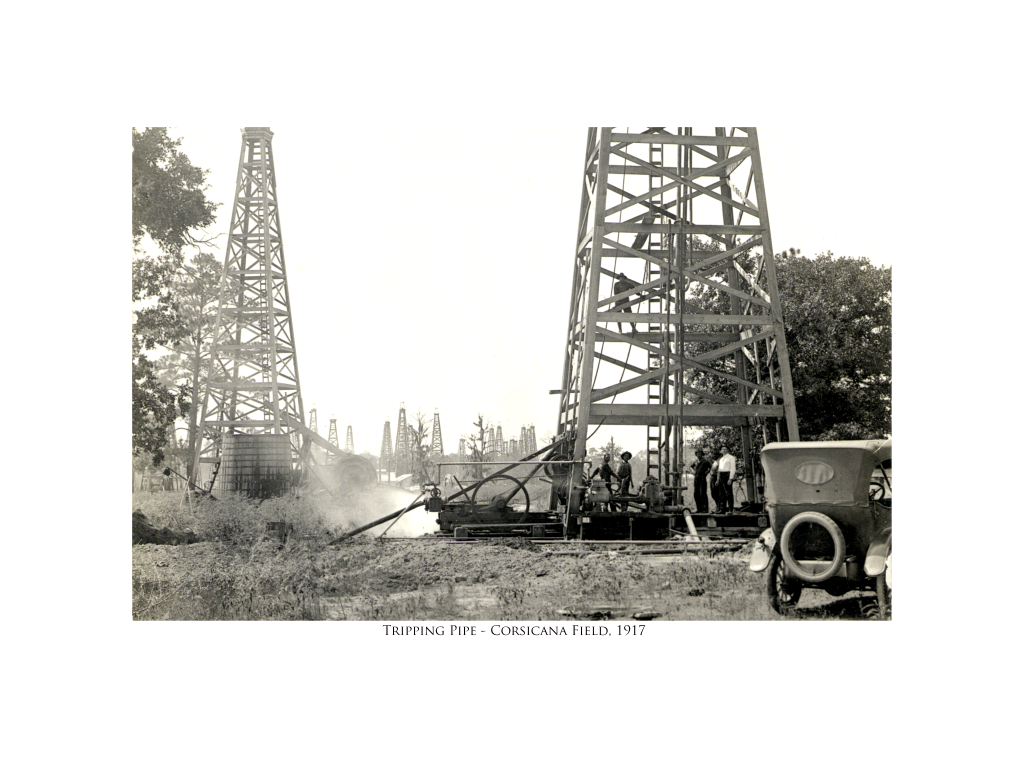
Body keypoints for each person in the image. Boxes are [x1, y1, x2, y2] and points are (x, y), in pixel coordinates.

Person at [718, 446, 737, 513]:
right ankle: (722, 509)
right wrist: (718, 479)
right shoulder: (721, 459)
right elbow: (719, 470)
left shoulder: (731, 458)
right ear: (720, 451)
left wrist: (730, 478)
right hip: (721, 476)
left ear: (728, 450)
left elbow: (733, 469)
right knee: (721, 493)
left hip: (727, 475)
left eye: (725, 449)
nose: (724, 450)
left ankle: (730, 509)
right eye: (722, 449)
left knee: (728, 493)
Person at [692, 450, 711, 514]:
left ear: (702, 454)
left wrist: (706, 473)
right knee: (696, 493)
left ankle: (705, 509)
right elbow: (690, 466)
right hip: (696, 478)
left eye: (700, 454)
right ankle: (699, 509)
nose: (698, 455)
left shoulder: (705, 461)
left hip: (702, 478)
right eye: (697, 454)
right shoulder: (696, 461)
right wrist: (693, 472)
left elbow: (711, 468)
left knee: (702, 493)